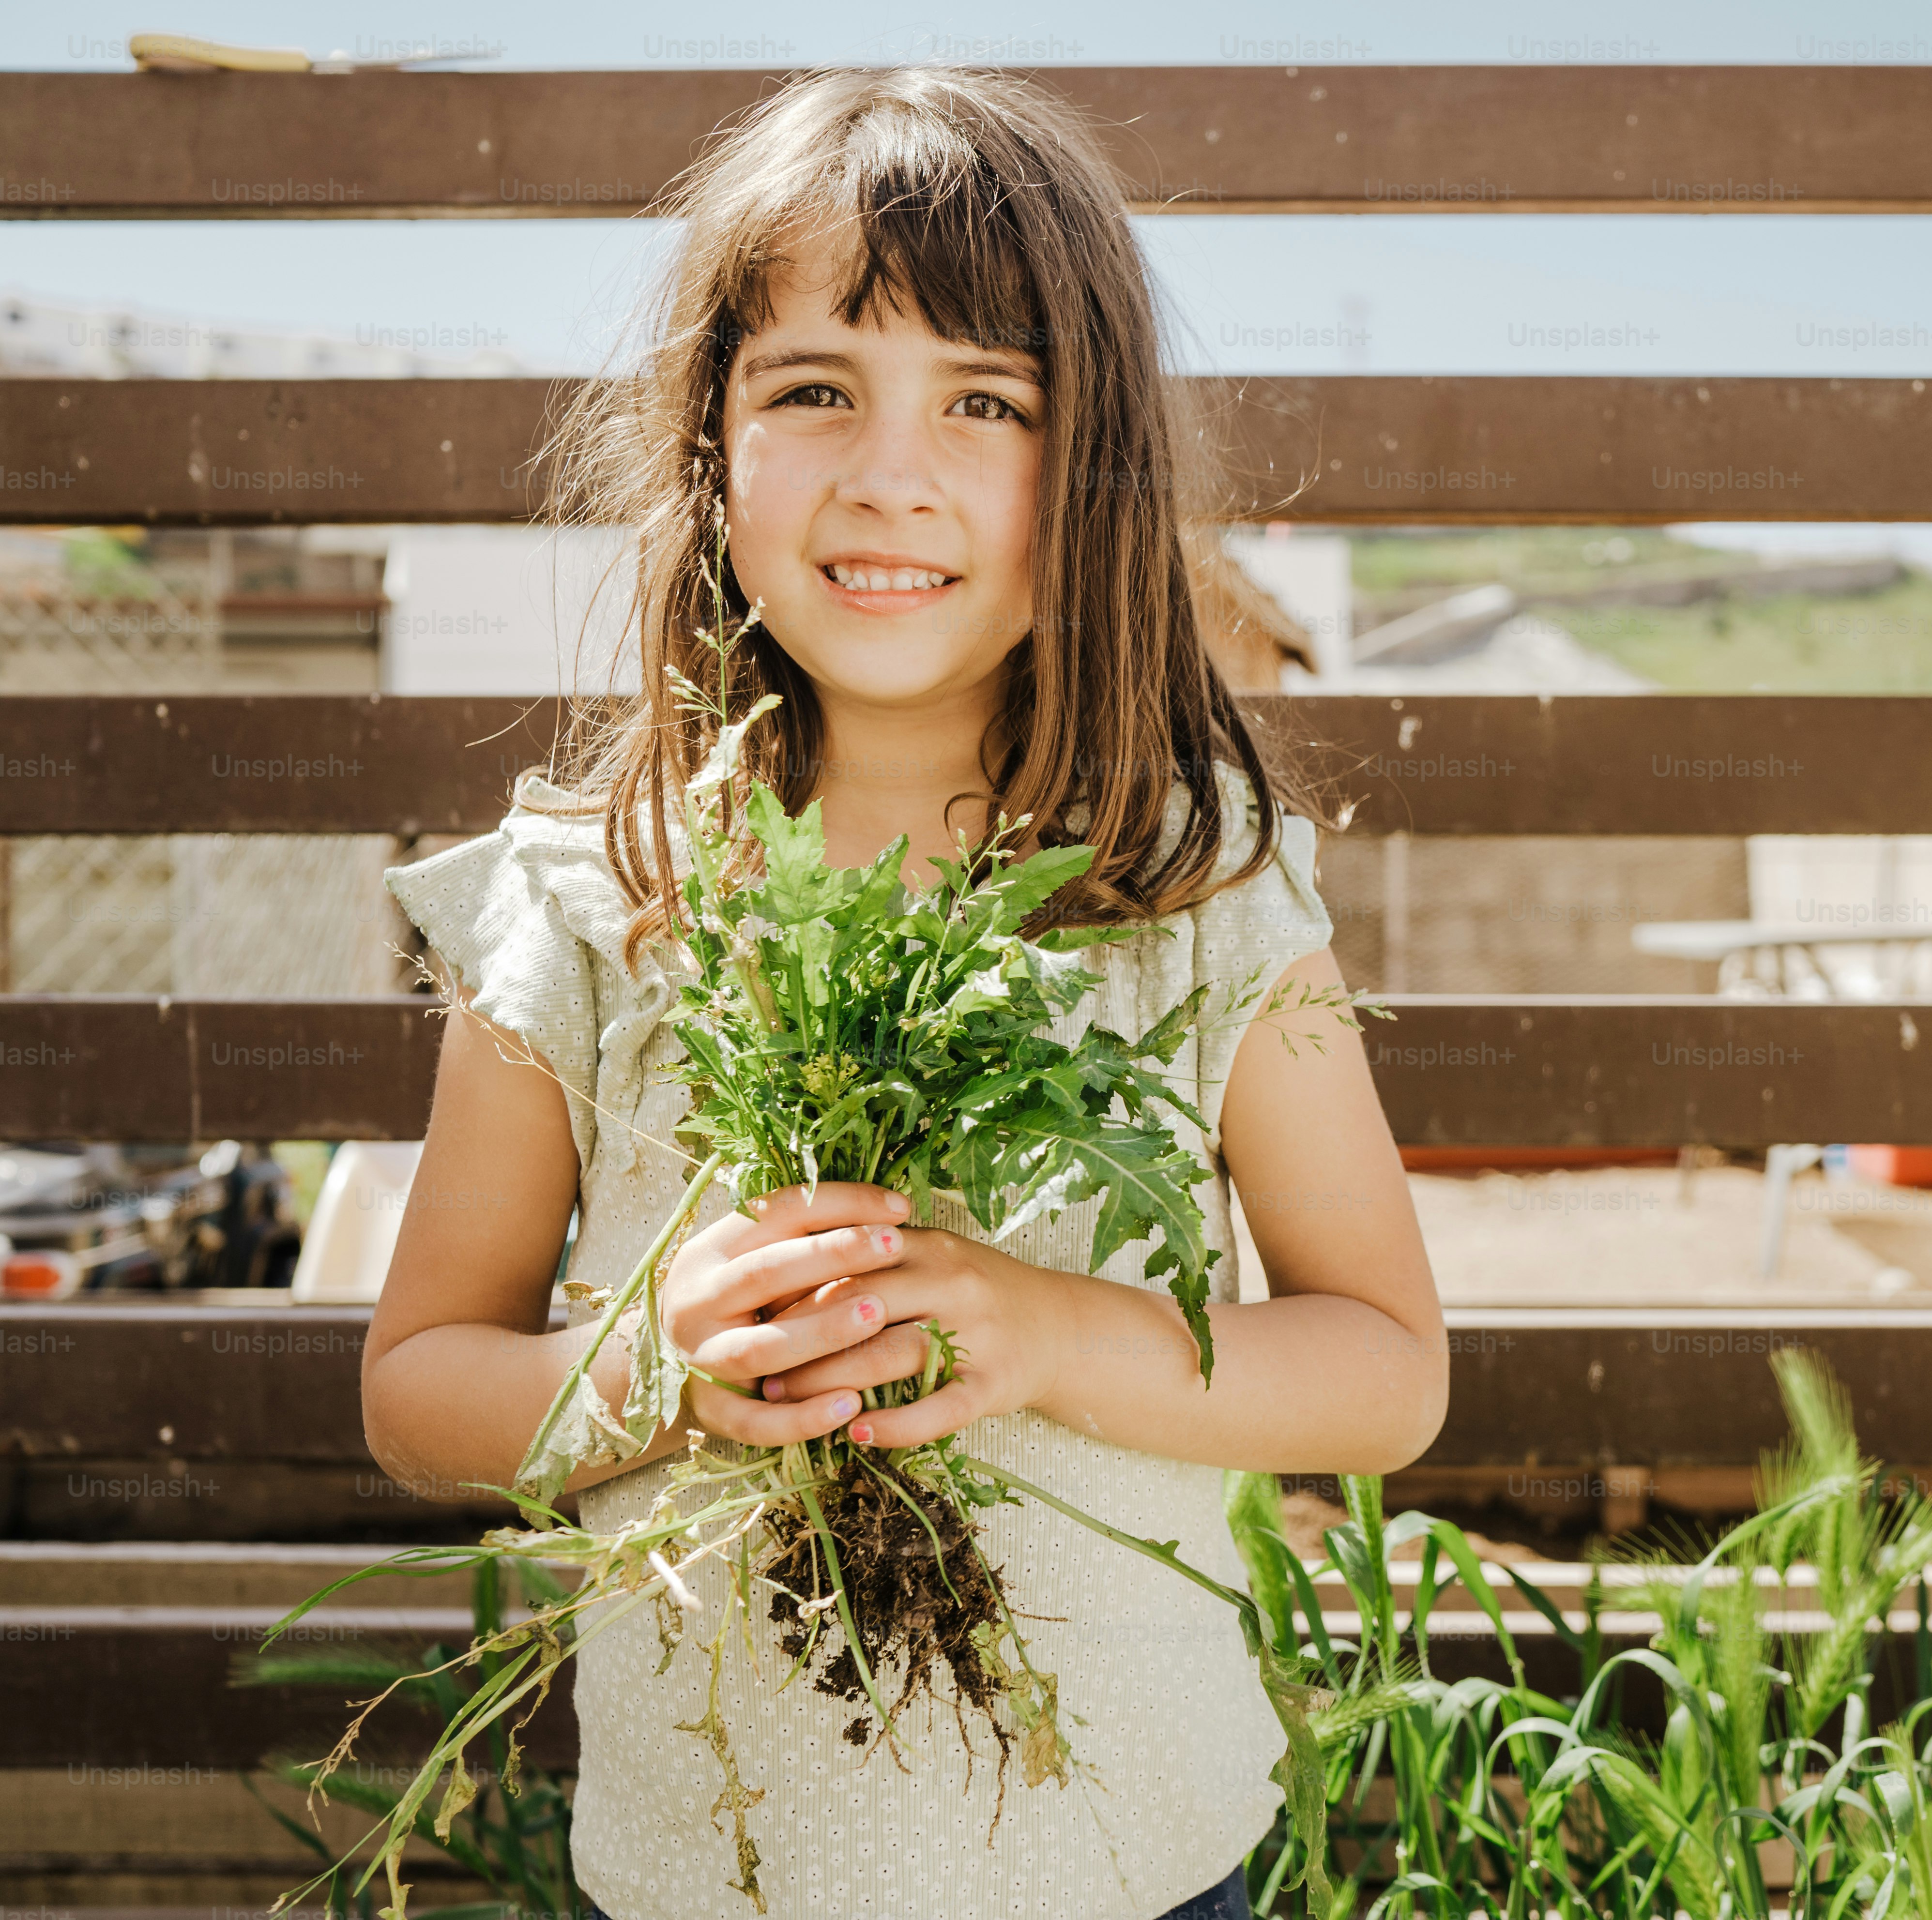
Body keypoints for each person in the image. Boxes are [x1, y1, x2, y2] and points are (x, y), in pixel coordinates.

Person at [361, 66, 1447, 1920]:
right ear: (707, 440)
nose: (891, 473)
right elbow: (418, 1390)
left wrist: (1045, 1333)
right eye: (812, 390)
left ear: (1090, 459)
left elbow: (1388, 1369)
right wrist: (656, 1376)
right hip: (717, 1881)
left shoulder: (1196, 879)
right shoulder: (592, 890)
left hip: (1145, 1866)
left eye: (987, 402)